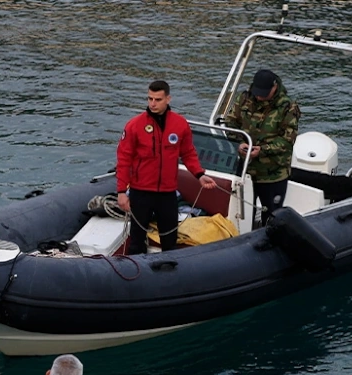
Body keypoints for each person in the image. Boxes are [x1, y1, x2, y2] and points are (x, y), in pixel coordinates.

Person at [115, 79, 219, 254]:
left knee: (169, 239)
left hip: (167, 193)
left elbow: (188, 153)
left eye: (158, 99)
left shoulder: (180, 124)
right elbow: (124, 159)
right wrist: (121, 192)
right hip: (141, 191)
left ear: (168, 99)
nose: (153, 104)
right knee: (137, 240)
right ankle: (136, 267)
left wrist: (199, 174)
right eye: (150, 99)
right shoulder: (134, 125)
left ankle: (168, 267)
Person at [224, 69, 301, 217]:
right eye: (257, 93)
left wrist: (263, 150)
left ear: (274, 87)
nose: (259, 97)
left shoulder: (288, 108)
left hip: (273, 174)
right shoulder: (244, 99)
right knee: (243, 213)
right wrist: (238, 143)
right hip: (245, 170)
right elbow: (230, 123)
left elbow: (287, 140)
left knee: (272, 215)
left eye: (264, 94)